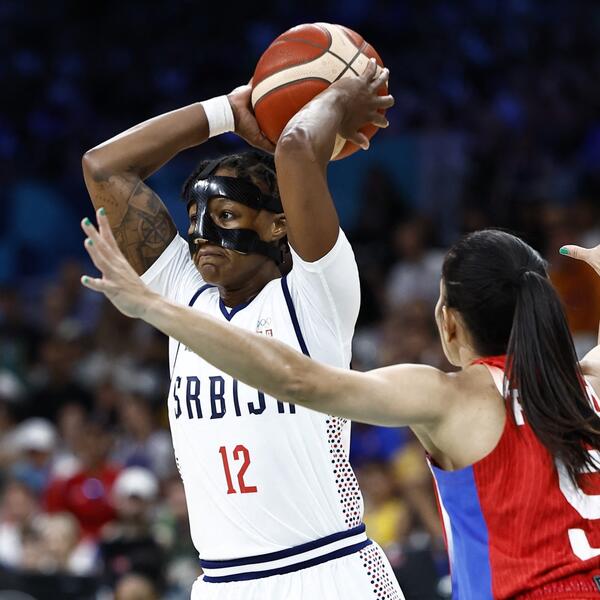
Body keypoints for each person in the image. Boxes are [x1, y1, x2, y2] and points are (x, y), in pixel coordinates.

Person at [81, 220, 600, 600]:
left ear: (449, 321)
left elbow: (296, 378)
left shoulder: (451, 397)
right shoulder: (587, 384)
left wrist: (155, 307)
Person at [82, 59, 401, 599]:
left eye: (226, 216)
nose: (202, 234)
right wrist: (224, 111)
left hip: (327, 571)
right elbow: (102, 167)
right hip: (224, 583)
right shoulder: (183, 294)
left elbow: (296, 147)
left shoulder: (315, 295)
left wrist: (340, 92)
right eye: (195, 219)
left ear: (278, 224)